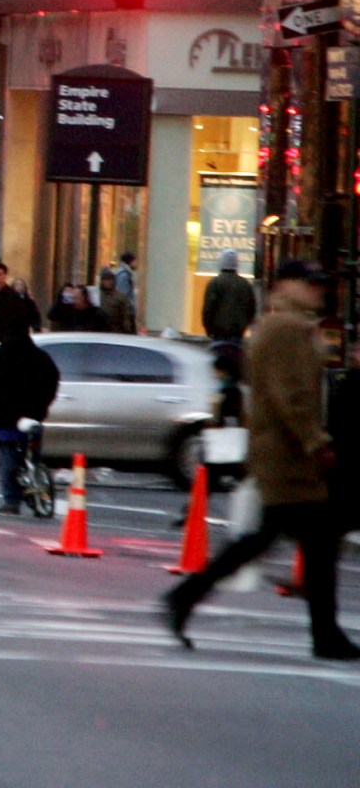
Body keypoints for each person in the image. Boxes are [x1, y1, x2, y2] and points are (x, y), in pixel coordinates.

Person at [165, 261, 355, 659]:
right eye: (310, 283)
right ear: (287, 285)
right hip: (289, 455)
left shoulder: (283, 325)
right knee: (309, 543)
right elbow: (291, 395)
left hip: (282, 452)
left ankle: (185, 597)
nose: (318, 290)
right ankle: (325, 635)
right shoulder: (286, 328)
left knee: (279, 540)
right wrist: (316, 441)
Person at [0, 313, 59, 515]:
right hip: (33, 414)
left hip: (3, 415)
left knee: (7, 454)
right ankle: (36, 483)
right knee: (32, 451)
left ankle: (11, 500)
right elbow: (52, 381)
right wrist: (43, 405)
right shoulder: (40, 357)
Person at [201, 249, 258, 342]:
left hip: (218, 332)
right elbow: (251, 308)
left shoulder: (214, 283)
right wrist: (245, 324)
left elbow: (208, 308)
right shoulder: (244, 284)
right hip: (238, 331)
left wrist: (208, 328)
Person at [95, 264, 135, 334]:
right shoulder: (96, 294)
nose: (108, 282)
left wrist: (126, 330)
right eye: (105, 280)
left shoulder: (119, 297)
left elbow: (125, 316)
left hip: (114, 331)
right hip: (97, 330)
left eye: (110, 280)